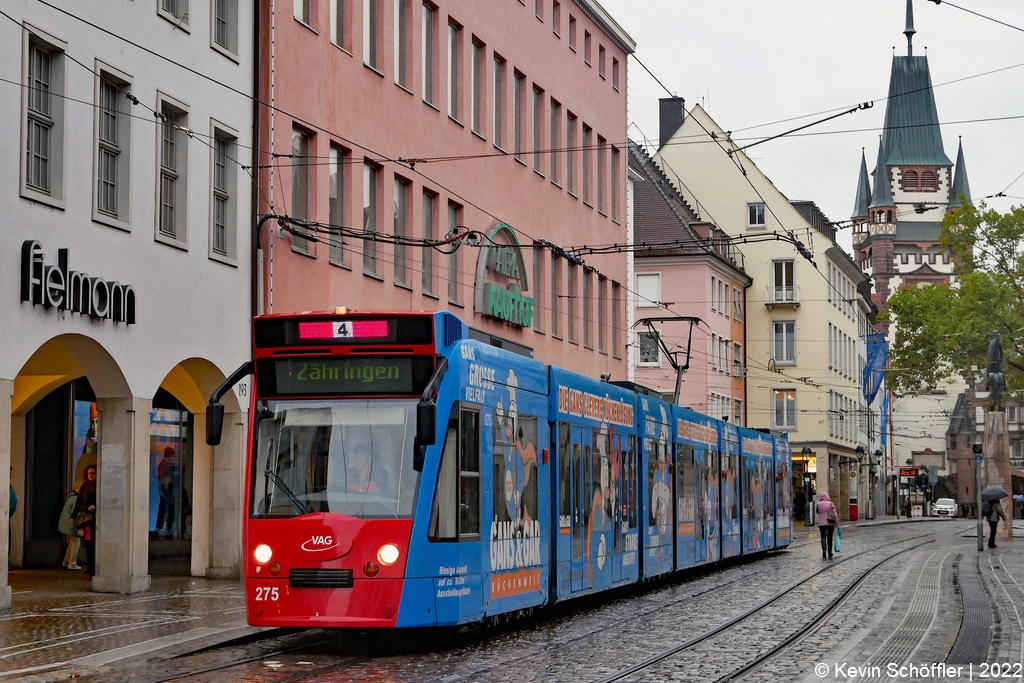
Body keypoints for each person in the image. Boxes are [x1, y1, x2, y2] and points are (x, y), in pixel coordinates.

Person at [72, 465, 97, 576]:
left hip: (98, 518)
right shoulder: (84, 486)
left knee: (95, 544)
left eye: (93, 473)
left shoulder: (99, 485)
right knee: (89, 543)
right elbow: (78, 503)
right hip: (88, 519)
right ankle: (91, 566)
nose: (91, 475)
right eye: (89, 473)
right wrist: (73, 516)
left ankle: (95, 567)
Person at [58, 490, 81, 570]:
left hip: (65, 524)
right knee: (76, 542)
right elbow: (75, 512)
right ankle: (72, 563)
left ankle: (66, 561)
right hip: (70, 524)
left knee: (72, 542)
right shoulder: (76, 499)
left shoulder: (70, 496)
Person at [817, 491, 839, 560]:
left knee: (823, 537)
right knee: (829, 537)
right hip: (830, 523)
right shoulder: (831, 504)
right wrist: (836, 522)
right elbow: (835, 514)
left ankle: (824, 551)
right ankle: (829, 552)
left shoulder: (818, 504)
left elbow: (817, 511)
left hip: (821, 523)